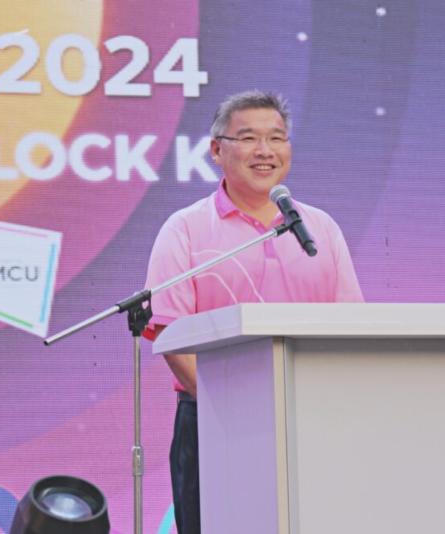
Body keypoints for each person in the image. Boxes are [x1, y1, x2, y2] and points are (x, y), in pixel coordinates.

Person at [143, 90, 363, 534]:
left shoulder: (320, 229)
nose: (265, 151)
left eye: (276, 138)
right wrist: (240, 409)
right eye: (248, 138)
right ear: (216, 150)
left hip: (314, 421)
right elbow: (171, 336)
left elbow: (350, 327)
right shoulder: (185, 229)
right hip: (214, 421)